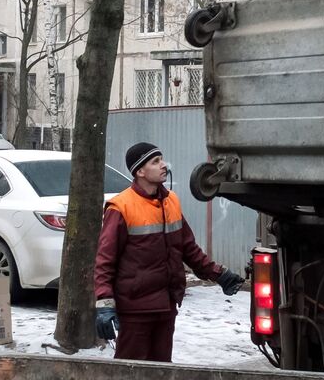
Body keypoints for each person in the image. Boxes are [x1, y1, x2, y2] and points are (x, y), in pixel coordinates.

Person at [94, 142, 244, 361]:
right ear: (140, 171)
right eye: (155, 162)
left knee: (162, 374)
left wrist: (218, 274)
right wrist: (105, 305)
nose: (163, 165)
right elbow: (105, 261)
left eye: (162, 159)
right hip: (136, 309)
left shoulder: (171, 201)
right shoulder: (121, 207)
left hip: (166, 306)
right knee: (130, 374)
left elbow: (188, 248)